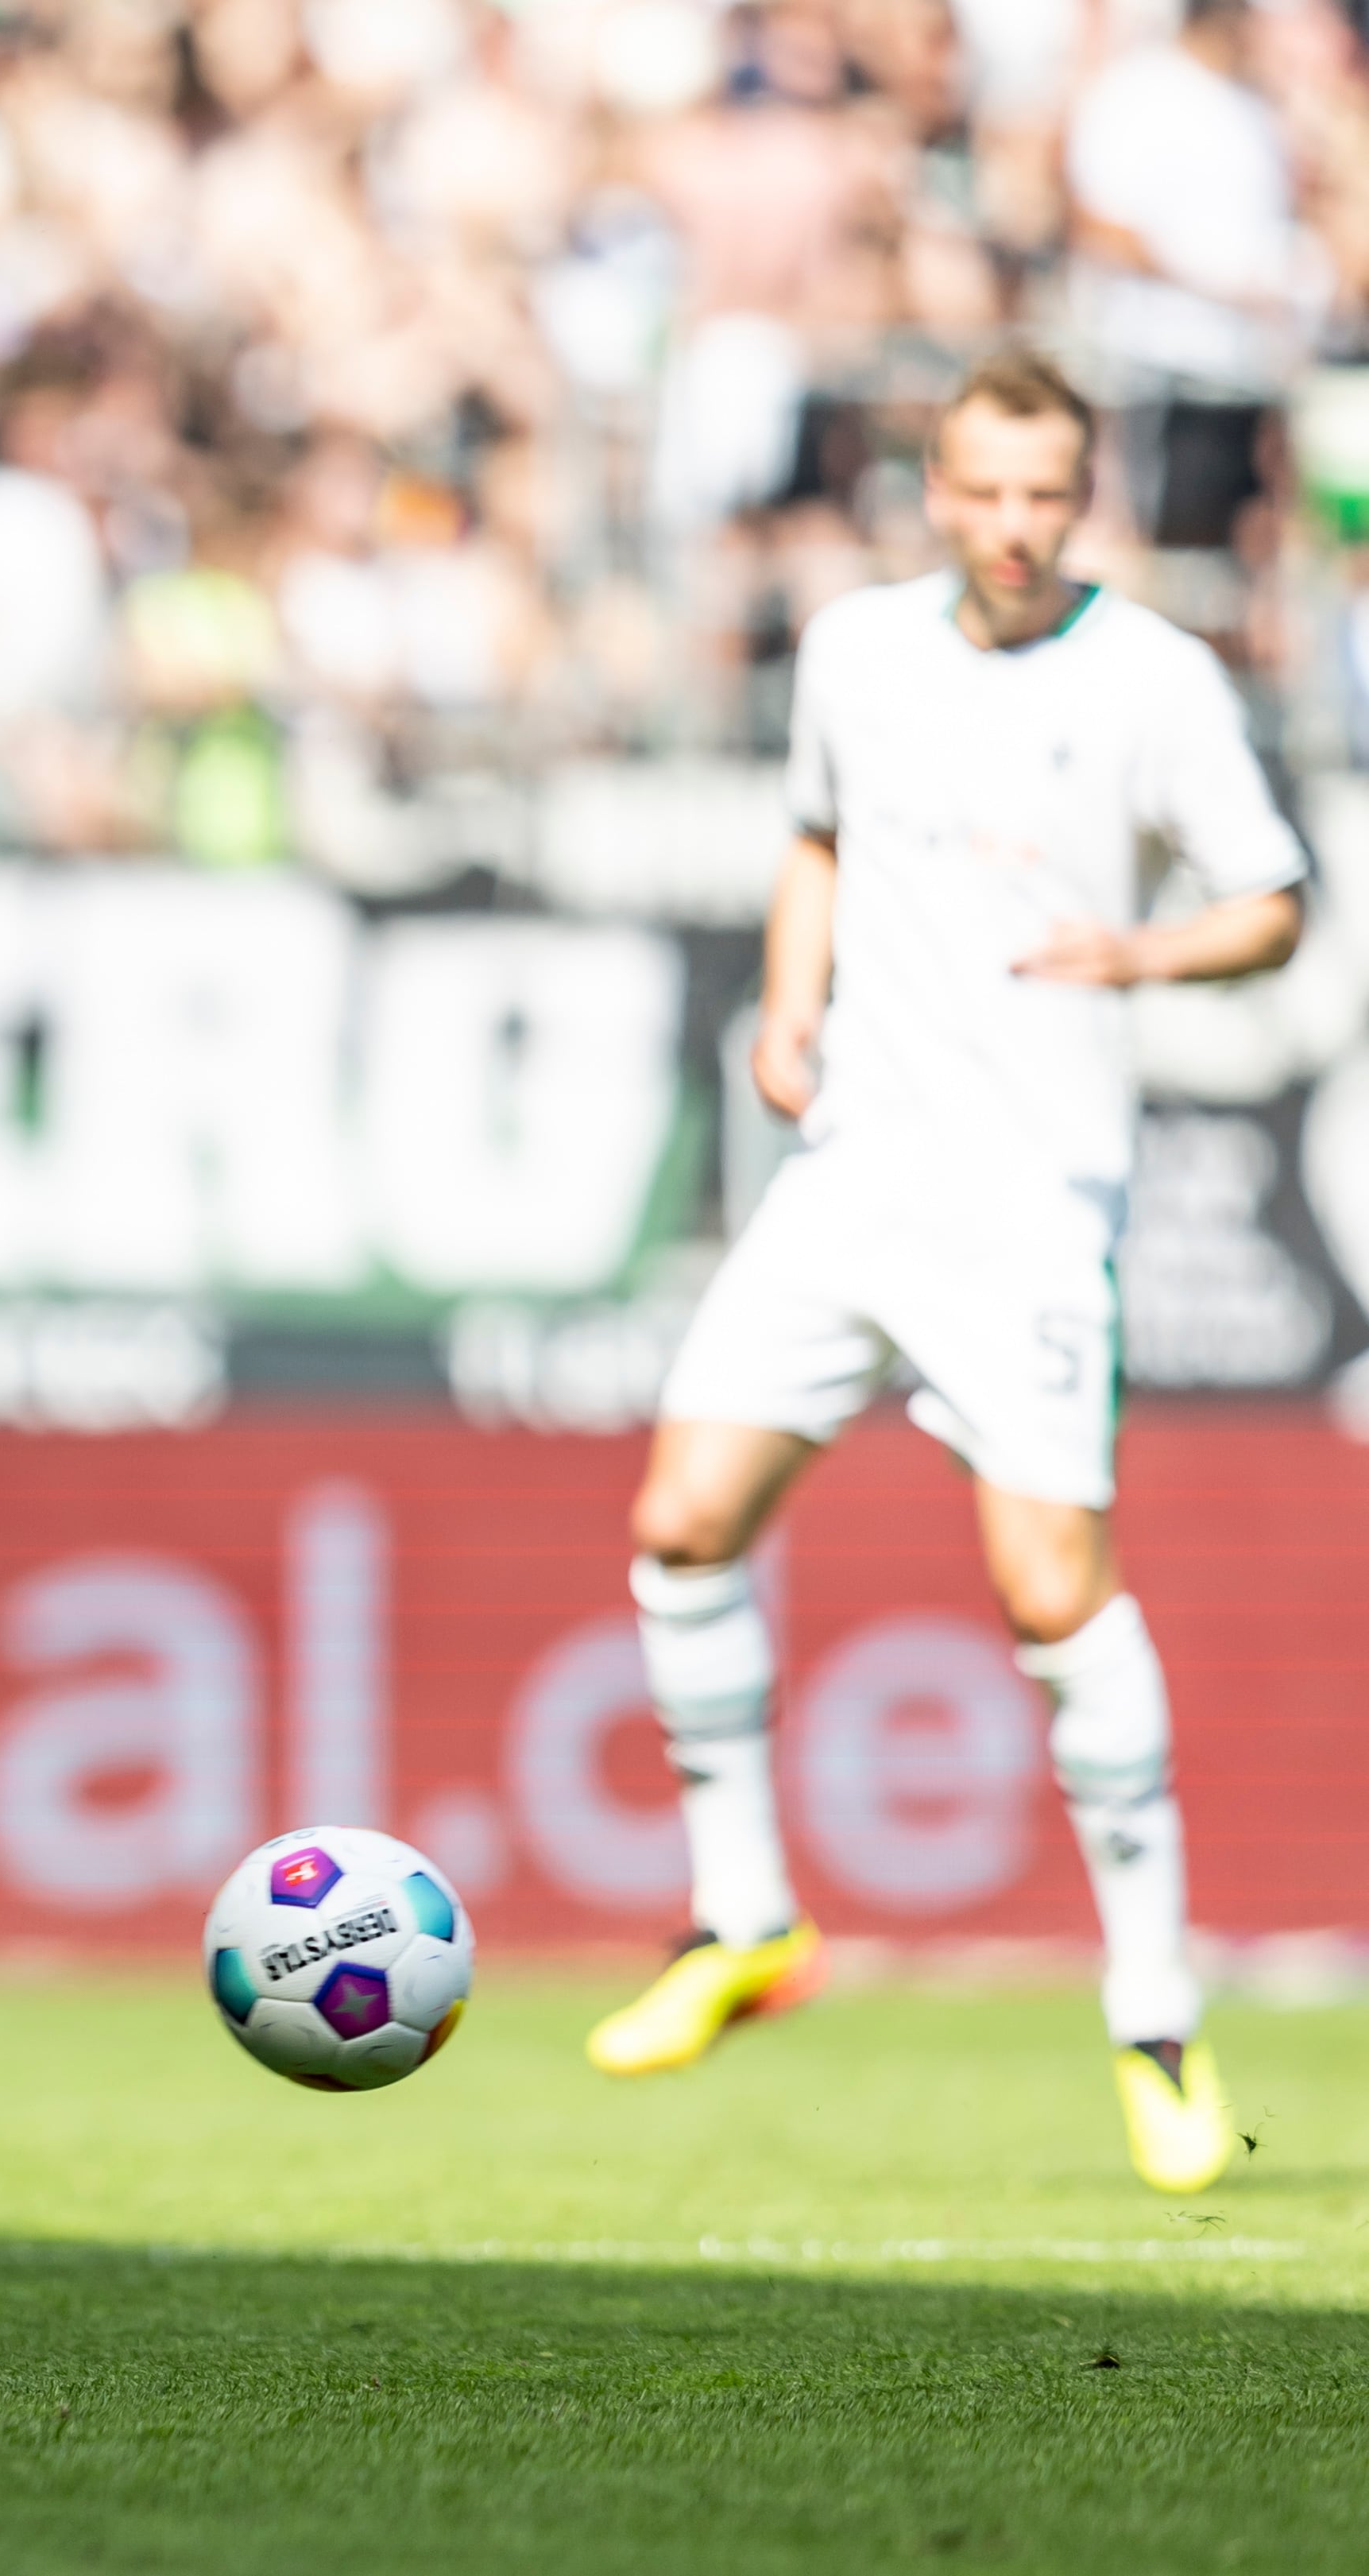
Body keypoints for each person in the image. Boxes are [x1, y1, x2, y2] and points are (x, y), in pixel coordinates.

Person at [592, 351, 1303, 2194]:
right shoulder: (853, 651)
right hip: (853, 1174)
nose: (1011, 526)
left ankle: (1153, 2015)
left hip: (1028, 1194)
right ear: (936, 491)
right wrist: (792, 1002)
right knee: (680, 1520)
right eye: (982, 492)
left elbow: (1272, 896)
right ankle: (739, 1915)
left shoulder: (1151, 677)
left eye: (1044, 496)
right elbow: (816, 836)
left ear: (1083, 498)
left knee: (1047, 1590)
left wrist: (1136, 961)